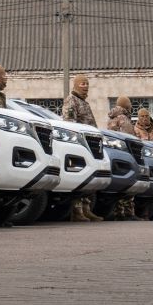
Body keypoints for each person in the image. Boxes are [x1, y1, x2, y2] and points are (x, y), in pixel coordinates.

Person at [62, 75, 103, 222]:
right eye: (82, 83)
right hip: (79, 145)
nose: (85, 86)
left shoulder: (84, 103)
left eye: (87, 84)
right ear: (76, 85)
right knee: (79, 177)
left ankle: (86, 208)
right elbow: (69, 123)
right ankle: (76, 210)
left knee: (89, 178)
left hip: (90, 145)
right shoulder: (71, 100)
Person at [106, 97, 139, 221]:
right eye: (130, 104)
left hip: (115, 154)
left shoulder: (112, 118)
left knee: (119, 184)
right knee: (128, 183)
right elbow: (130, 138)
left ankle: (118, 211)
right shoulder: (123, 119)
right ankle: (128, 212)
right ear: (126, 106)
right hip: (126, 154)